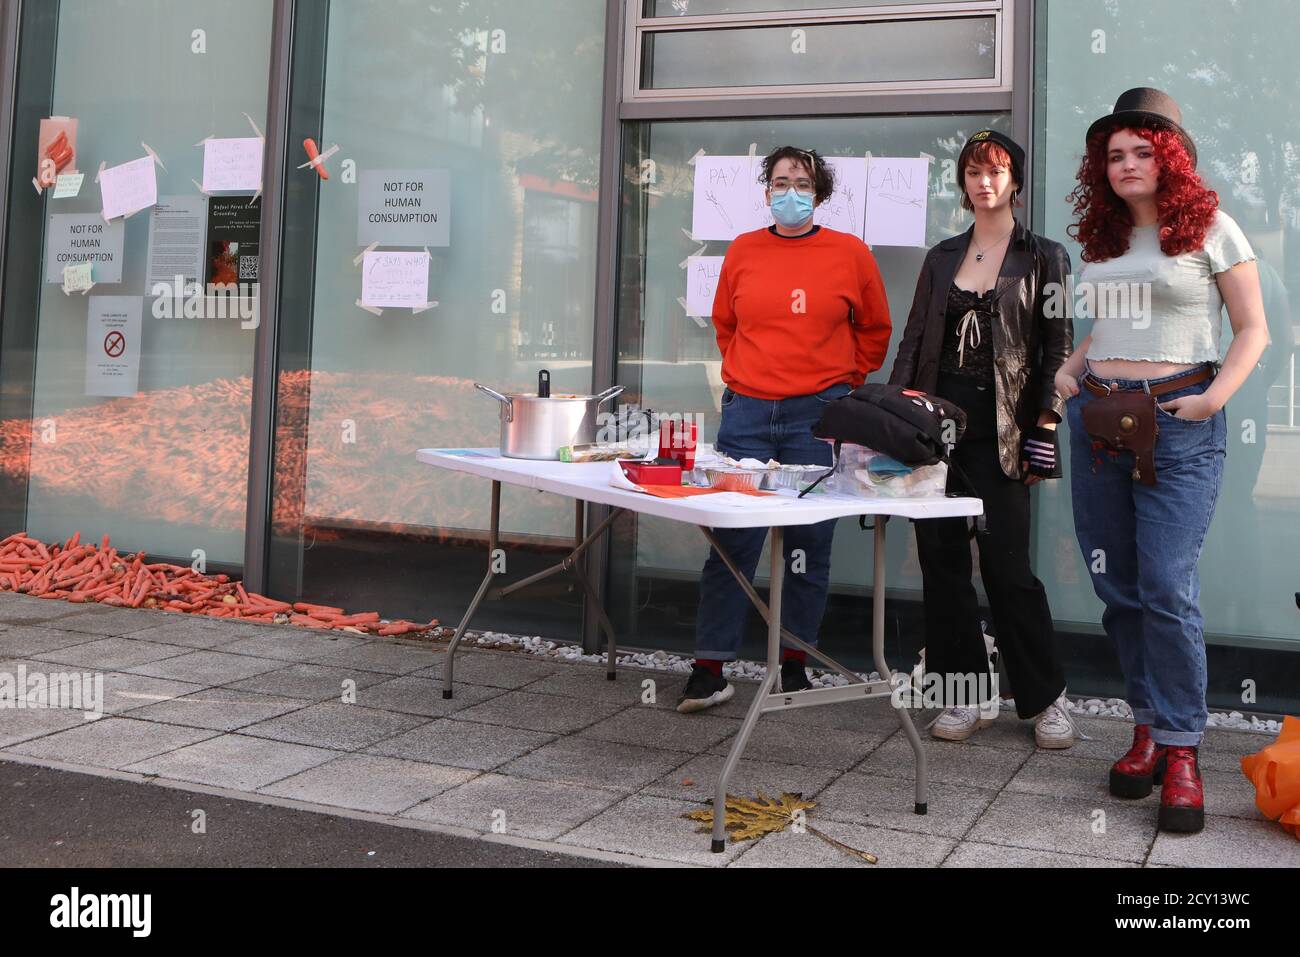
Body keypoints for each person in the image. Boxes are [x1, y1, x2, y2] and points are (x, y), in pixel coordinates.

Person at [1055, 88, 1268, 833]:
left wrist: (1213, 401)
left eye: (1142, 150)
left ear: (1169, 156)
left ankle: (1181, 747)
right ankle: (1146, 725)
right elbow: (1108, 321)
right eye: (1114, 155)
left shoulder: (1212, 229)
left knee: (1169, 587)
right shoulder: (1104, 239)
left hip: (1179, 423)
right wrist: (1072, 367)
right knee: (1119, 587)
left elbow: (1252, 330)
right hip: (1100, 423)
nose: (1126, 164)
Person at [678, 146, 892, 713]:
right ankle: (709, 669)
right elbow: (727, 324)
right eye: (779, 181)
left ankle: (793, 665)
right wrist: (751, 376)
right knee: (731, 542)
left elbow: (875, 328)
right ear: (765, 190)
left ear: (818, 193)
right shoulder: (744, 250)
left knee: (808, 545)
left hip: (817, 417)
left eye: (801, 181)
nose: (789, 190)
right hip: (747, 415)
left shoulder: (849, 253)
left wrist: (841, 384)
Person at [889, 130, 1077, 747]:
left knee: (1008, 567)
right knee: (942, 565)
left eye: (996, 171)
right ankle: (964, 694)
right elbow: (914, 340)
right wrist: (895, 419)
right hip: (937, 431)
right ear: (963, 182)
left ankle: (1045, 698)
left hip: (1003, 433)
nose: (984, 182)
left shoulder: (1044, 256)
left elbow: (1058, 348)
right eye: (973, 172)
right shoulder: (942, 256)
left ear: (1015, 181)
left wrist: (1043, 425)